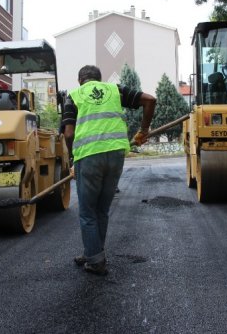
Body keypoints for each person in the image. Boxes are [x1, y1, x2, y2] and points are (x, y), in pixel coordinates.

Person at [62, 65, 156, 276]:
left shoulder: (74, 95)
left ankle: (95, 261)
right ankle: (92, 252)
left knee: (87, 212)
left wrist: (73, 160)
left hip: (88, 155)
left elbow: (68, 133)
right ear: (99, 79)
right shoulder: (114, 90)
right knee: (101, 210)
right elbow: (150, 100)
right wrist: (144, 130)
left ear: (80, 81)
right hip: (115, 155)